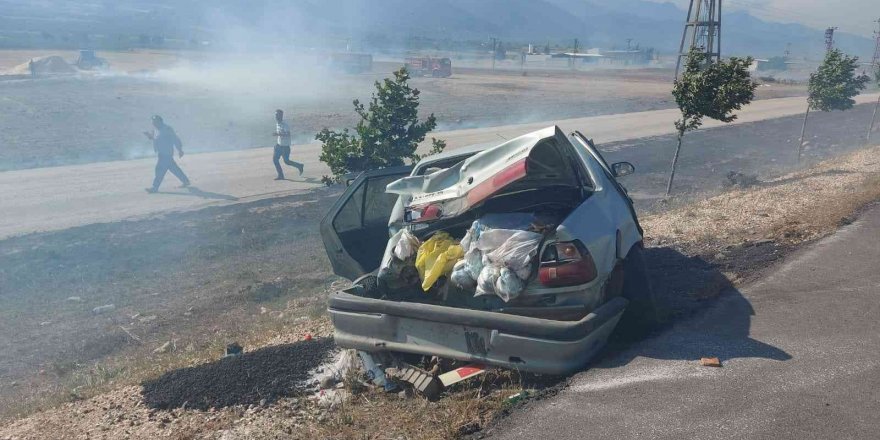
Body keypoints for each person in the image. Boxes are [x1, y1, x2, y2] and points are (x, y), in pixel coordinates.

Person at [143, 115, 190, 193]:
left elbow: (175, 139)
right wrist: (149, 135)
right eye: (153, 122)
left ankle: (155, 187)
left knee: (159, 169)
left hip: (166, 153)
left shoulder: (167, 129)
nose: (153, 123)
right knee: (174, 168)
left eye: (155, 122)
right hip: (161, 153)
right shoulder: (155, 130)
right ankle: (185, 181)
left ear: (160, 121)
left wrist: (180, 150)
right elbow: (155, 139)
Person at [272, 109, 303, 180]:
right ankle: (281, 175)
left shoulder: (285, 124)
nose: (276, 116)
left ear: (281, 116)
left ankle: (300, 166)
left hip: (285, 147)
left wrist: (278, 134)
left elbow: (288, 134)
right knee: (275, 160)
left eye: (277, 115)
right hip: (278, 145)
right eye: (275, 115)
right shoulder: (277, 123)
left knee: (287, 161)